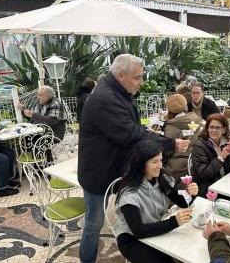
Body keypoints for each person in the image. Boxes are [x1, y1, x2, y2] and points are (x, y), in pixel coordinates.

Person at [77, 54, 190, 263]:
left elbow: (134, 130)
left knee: (130, 211)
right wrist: (169, 143)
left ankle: (139, 246)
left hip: (119, 167)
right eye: (137, 77)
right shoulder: (105, 98)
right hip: (98, 172)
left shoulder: (117, 92)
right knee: (94, 223)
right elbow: (132, 134)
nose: (141, 82)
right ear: (121, 76)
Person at [114, 140, 198, 263]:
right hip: (132, 240)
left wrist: (191, 194)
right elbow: (139, 231)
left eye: (160, 160)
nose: (160, 165)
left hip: (156, 228)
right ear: (141, 163)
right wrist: (174, 222)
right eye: (155, 161)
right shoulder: (129, 194)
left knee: (190, 249)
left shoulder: (160, 177)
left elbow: (182, 203)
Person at [191, 113, 230, 197]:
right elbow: (204, 174)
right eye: (211, 127)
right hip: (208, 188)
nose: (214, 130)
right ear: (207, 129)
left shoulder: (226, 142)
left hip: (225, 183)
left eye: (217, 127)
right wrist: (221, 157)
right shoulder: (200, 146)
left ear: (224, 130)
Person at [164, 94, 202, 179]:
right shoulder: (197, 120)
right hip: (197, 162)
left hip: (176, 168)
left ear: (169, 109)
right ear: (185, 106)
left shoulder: (170, 127)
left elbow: (168, 149)